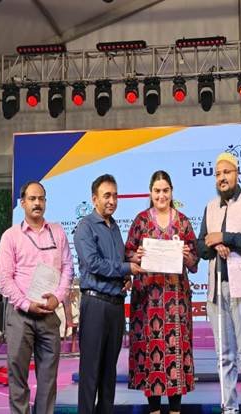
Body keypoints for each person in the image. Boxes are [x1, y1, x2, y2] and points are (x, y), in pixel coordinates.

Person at [197, 152, 241, 414]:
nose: (222, 178)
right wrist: (215, 244)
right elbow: (201, 246)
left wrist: (225, 237)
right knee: (224, 355)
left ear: (237, 173)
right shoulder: (210, 207)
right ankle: (229, 407)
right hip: (217, 290)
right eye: (218, 174)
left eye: (226, 172)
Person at [125, 170, 199, 414]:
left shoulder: (183, 222)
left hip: (176, 301)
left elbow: (195, 262)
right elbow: (127, 253)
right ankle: (154, 410)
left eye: (165, 190)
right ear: (150, 192)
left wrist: (187, 256)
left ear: (172, 192)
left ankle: (176, 411)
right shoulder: (140, 221)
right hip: (147, 301)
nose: (161, 195)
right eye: (157, 191)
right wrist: (135, 256)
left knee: (176, 350)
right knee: (151, 354)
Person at [0, 181, 74, 414]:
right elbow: (4, 280)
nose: (37, 203)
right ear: (23, 203)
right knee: (18, 376)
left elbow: (68, 268)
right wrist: (26, 304)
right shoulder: (11, 236)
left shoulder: (58, 232)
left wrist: (58, 298)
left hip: (49, 314)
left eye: (41, 198)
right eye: (32, 199)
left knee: (48, 379)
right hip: (21, 315)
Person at [74, 174, 142, 414]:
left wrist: (126, 275)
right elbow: (93, 263)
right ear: (94, 199)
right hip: (95, 304)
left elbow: (116, 261)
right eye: (106, 196)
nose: (112, 200)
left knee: (109, 374)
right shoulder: (85, 226)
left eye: (115, 195)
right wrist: (126, 268)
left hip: (115, 306)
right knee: (90, 373)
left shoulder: (114, 228)